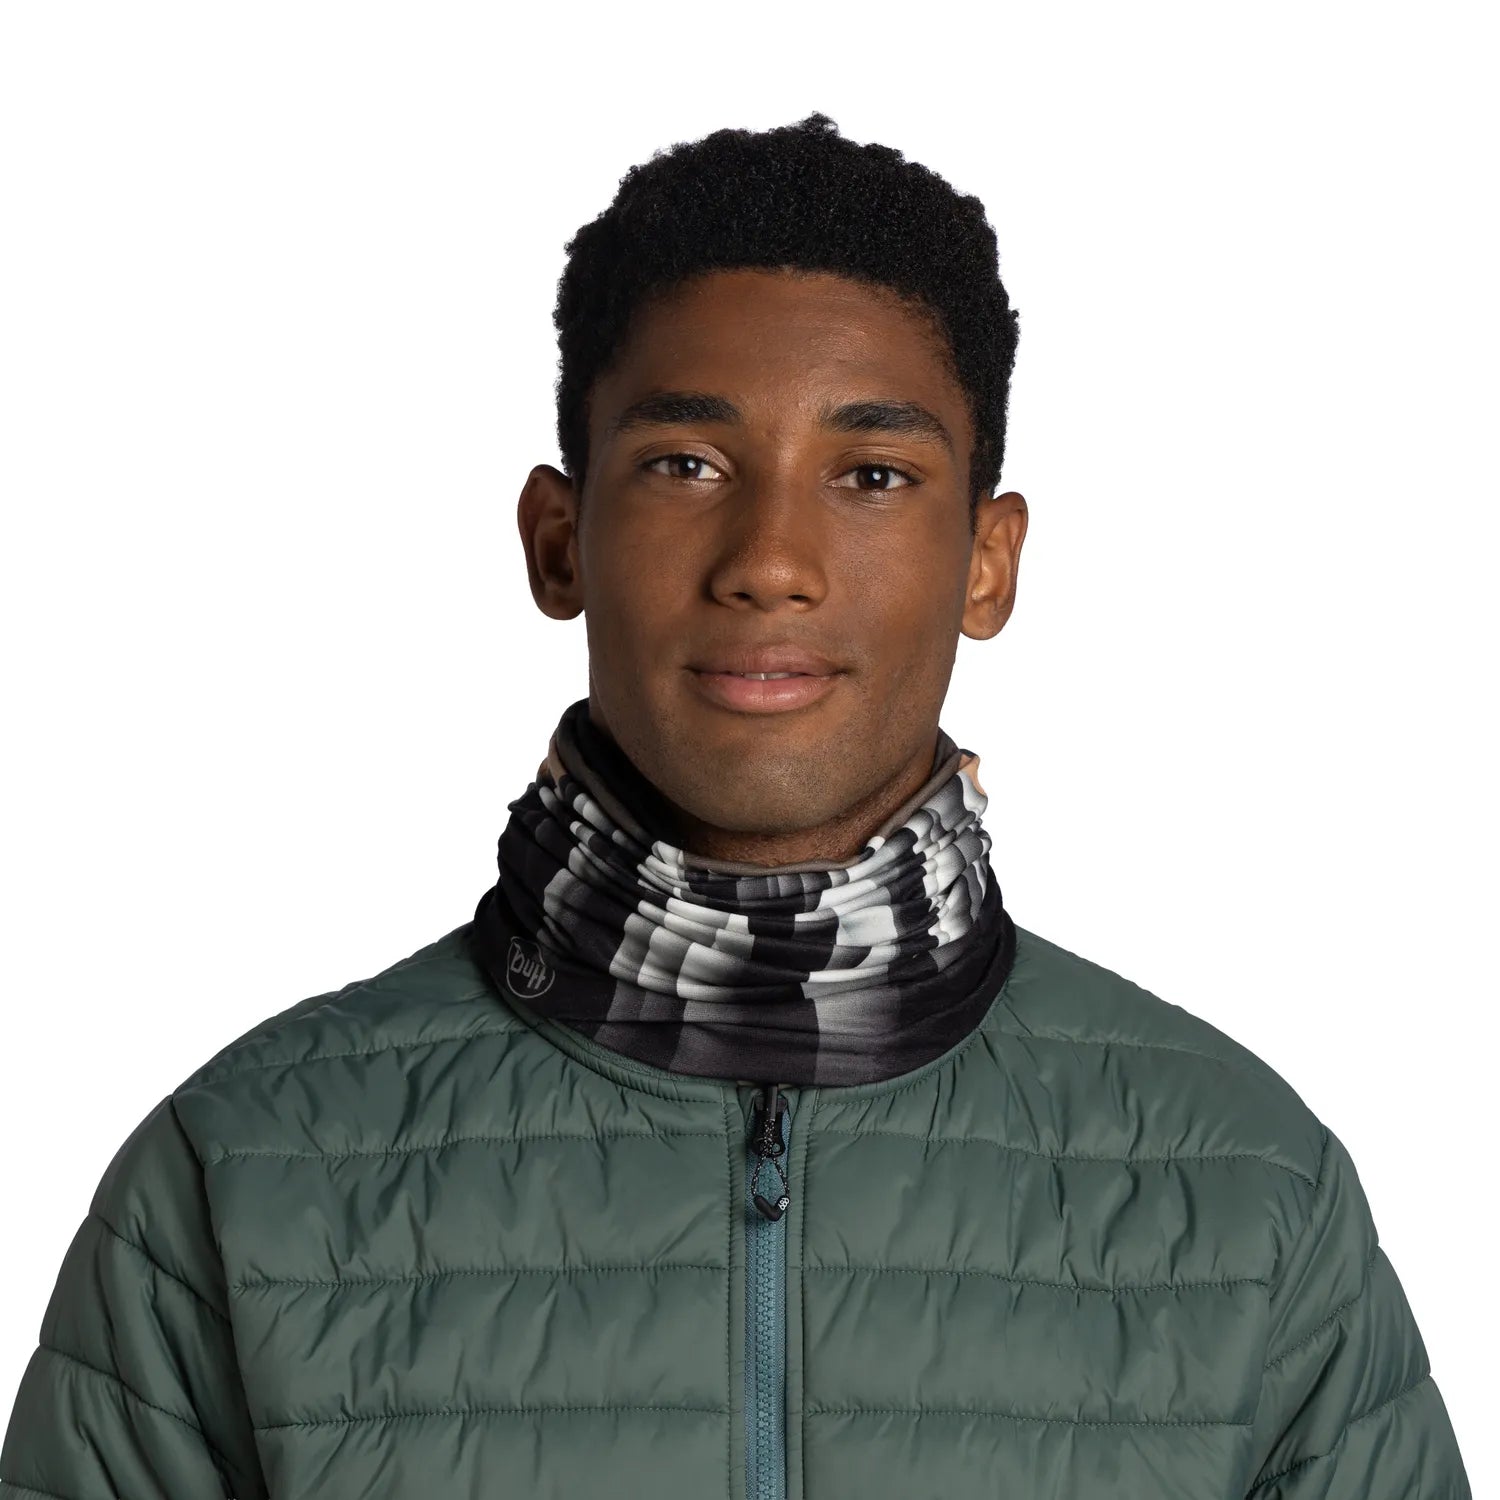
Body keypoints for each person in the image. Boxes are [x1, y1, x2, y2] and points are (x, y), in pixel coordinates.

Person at [0, 111, 1470, 1500]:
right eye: (687, 464)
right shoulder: (244, 1179)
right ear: (559, 540)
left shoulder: (1249, 1197)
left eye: (872, 473)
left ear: (988, 562)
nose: (770, 558)